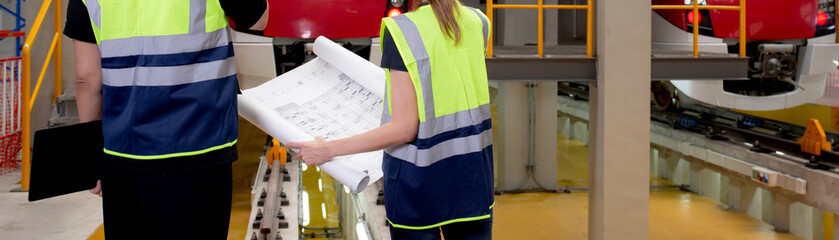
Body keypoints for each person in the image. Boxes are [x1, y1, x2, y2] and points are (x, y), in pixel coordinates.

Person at [287, 0, 494, 239]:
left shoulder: (403, 31)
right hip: (473, 178)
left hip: (418, 185)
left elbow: (404, 129)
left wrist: (326, 149)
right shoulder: (479, 21)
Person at [64, 0, 268, 239]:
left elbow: (86, 79)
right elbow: (258, 20)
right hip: (200, 148)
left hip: (123, 153)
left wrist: (91, 158)